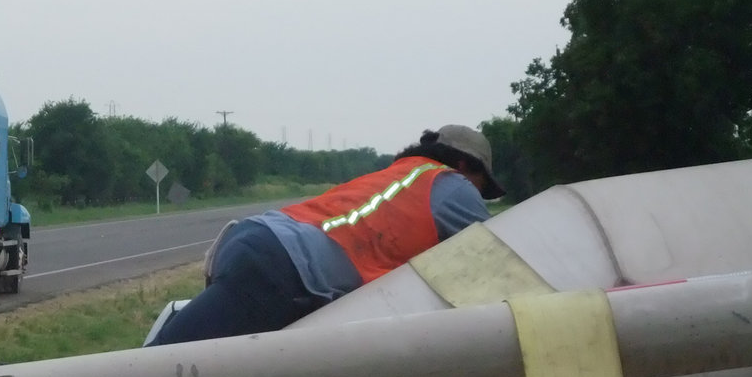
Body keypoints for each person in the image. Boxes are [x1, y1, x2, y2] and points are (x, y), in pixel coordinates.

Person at [148, 124, 504, 346]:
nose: (478, 195)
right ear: (462, 165)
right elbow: (494, 268)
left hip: (261, 242)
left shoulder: (400, 174)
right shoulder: (451, 185)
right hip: (283, 267)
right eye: (481, 185)